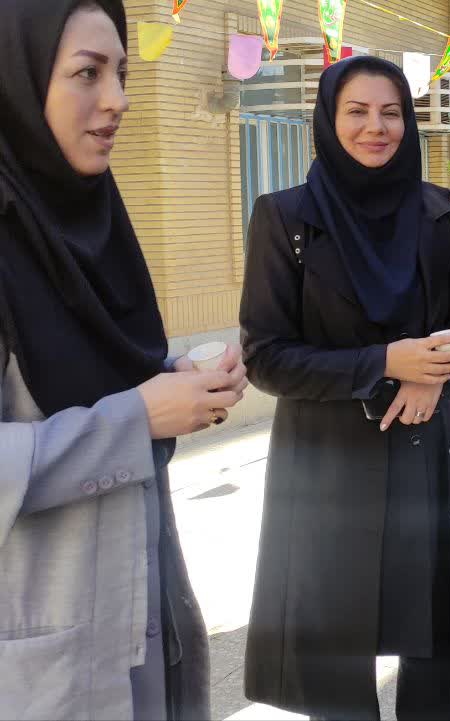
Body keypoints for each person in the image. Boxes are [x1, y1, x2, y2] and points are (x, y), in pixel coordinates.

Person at [0, 0, 249, 717]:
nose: (118, 100)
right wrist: (135, 418)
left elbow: (91, 378)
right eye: (87, 73)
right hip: (40, 664)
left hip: (143, 611)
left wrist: (172, 385)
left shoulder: (92, 221)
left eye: (121, 73)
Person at [240, 56, 450, 720]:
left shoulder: (436, 210)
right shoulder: (285, 217)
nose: (375, 127)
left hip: (423, 449)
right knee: (335, 648)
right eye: (356, 111)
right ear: (328, 120)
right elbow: (266, 357)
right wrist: (386, 361)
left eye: (391, 112)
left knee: (433, 633)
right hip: (326, 465)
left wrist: (436, 381)